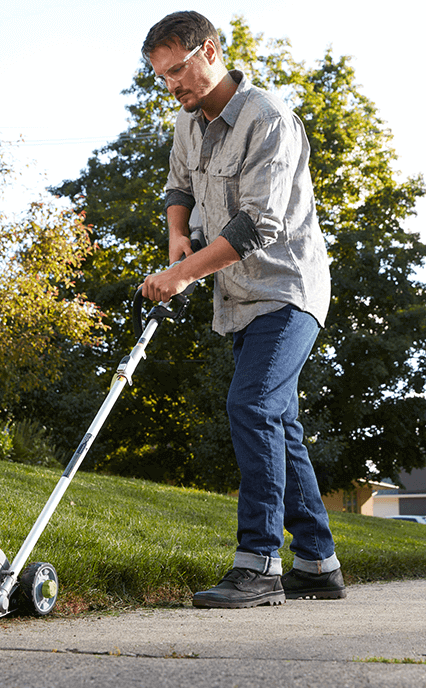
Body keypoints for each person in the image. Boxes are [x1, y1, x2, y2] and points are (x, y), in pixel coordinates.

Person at [140, 11, 346, 608]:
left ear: (209, 51)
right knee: (278, 423)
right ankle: (318, 561)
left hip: (288, 291)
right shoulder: (187, 123)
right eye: (162, 75)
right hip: (237, 299)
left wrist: (180, 274)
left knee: (251, 405)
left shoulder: (269, 118)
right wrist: (179, 237)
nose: (172, 84)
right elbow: (178, 189)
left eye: (178, 70)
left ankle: (258, 565)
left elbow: (258, 224)